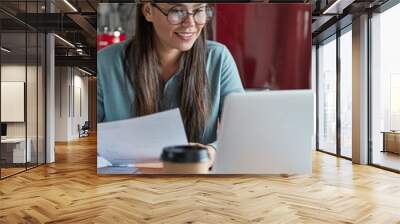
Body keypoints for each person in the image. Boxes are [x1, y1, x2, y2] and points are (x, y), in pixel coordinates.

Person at [97, 3, 244, 166]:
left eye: (198, 10)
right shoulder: (105, 63)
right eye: (177, 11)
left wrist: (211, 152)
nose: (190, 23)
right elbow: (88, 137)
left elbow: (243, 132)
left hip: (197, 182)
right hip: (125, 184)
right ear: (148, 11)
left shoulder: (219, 58)